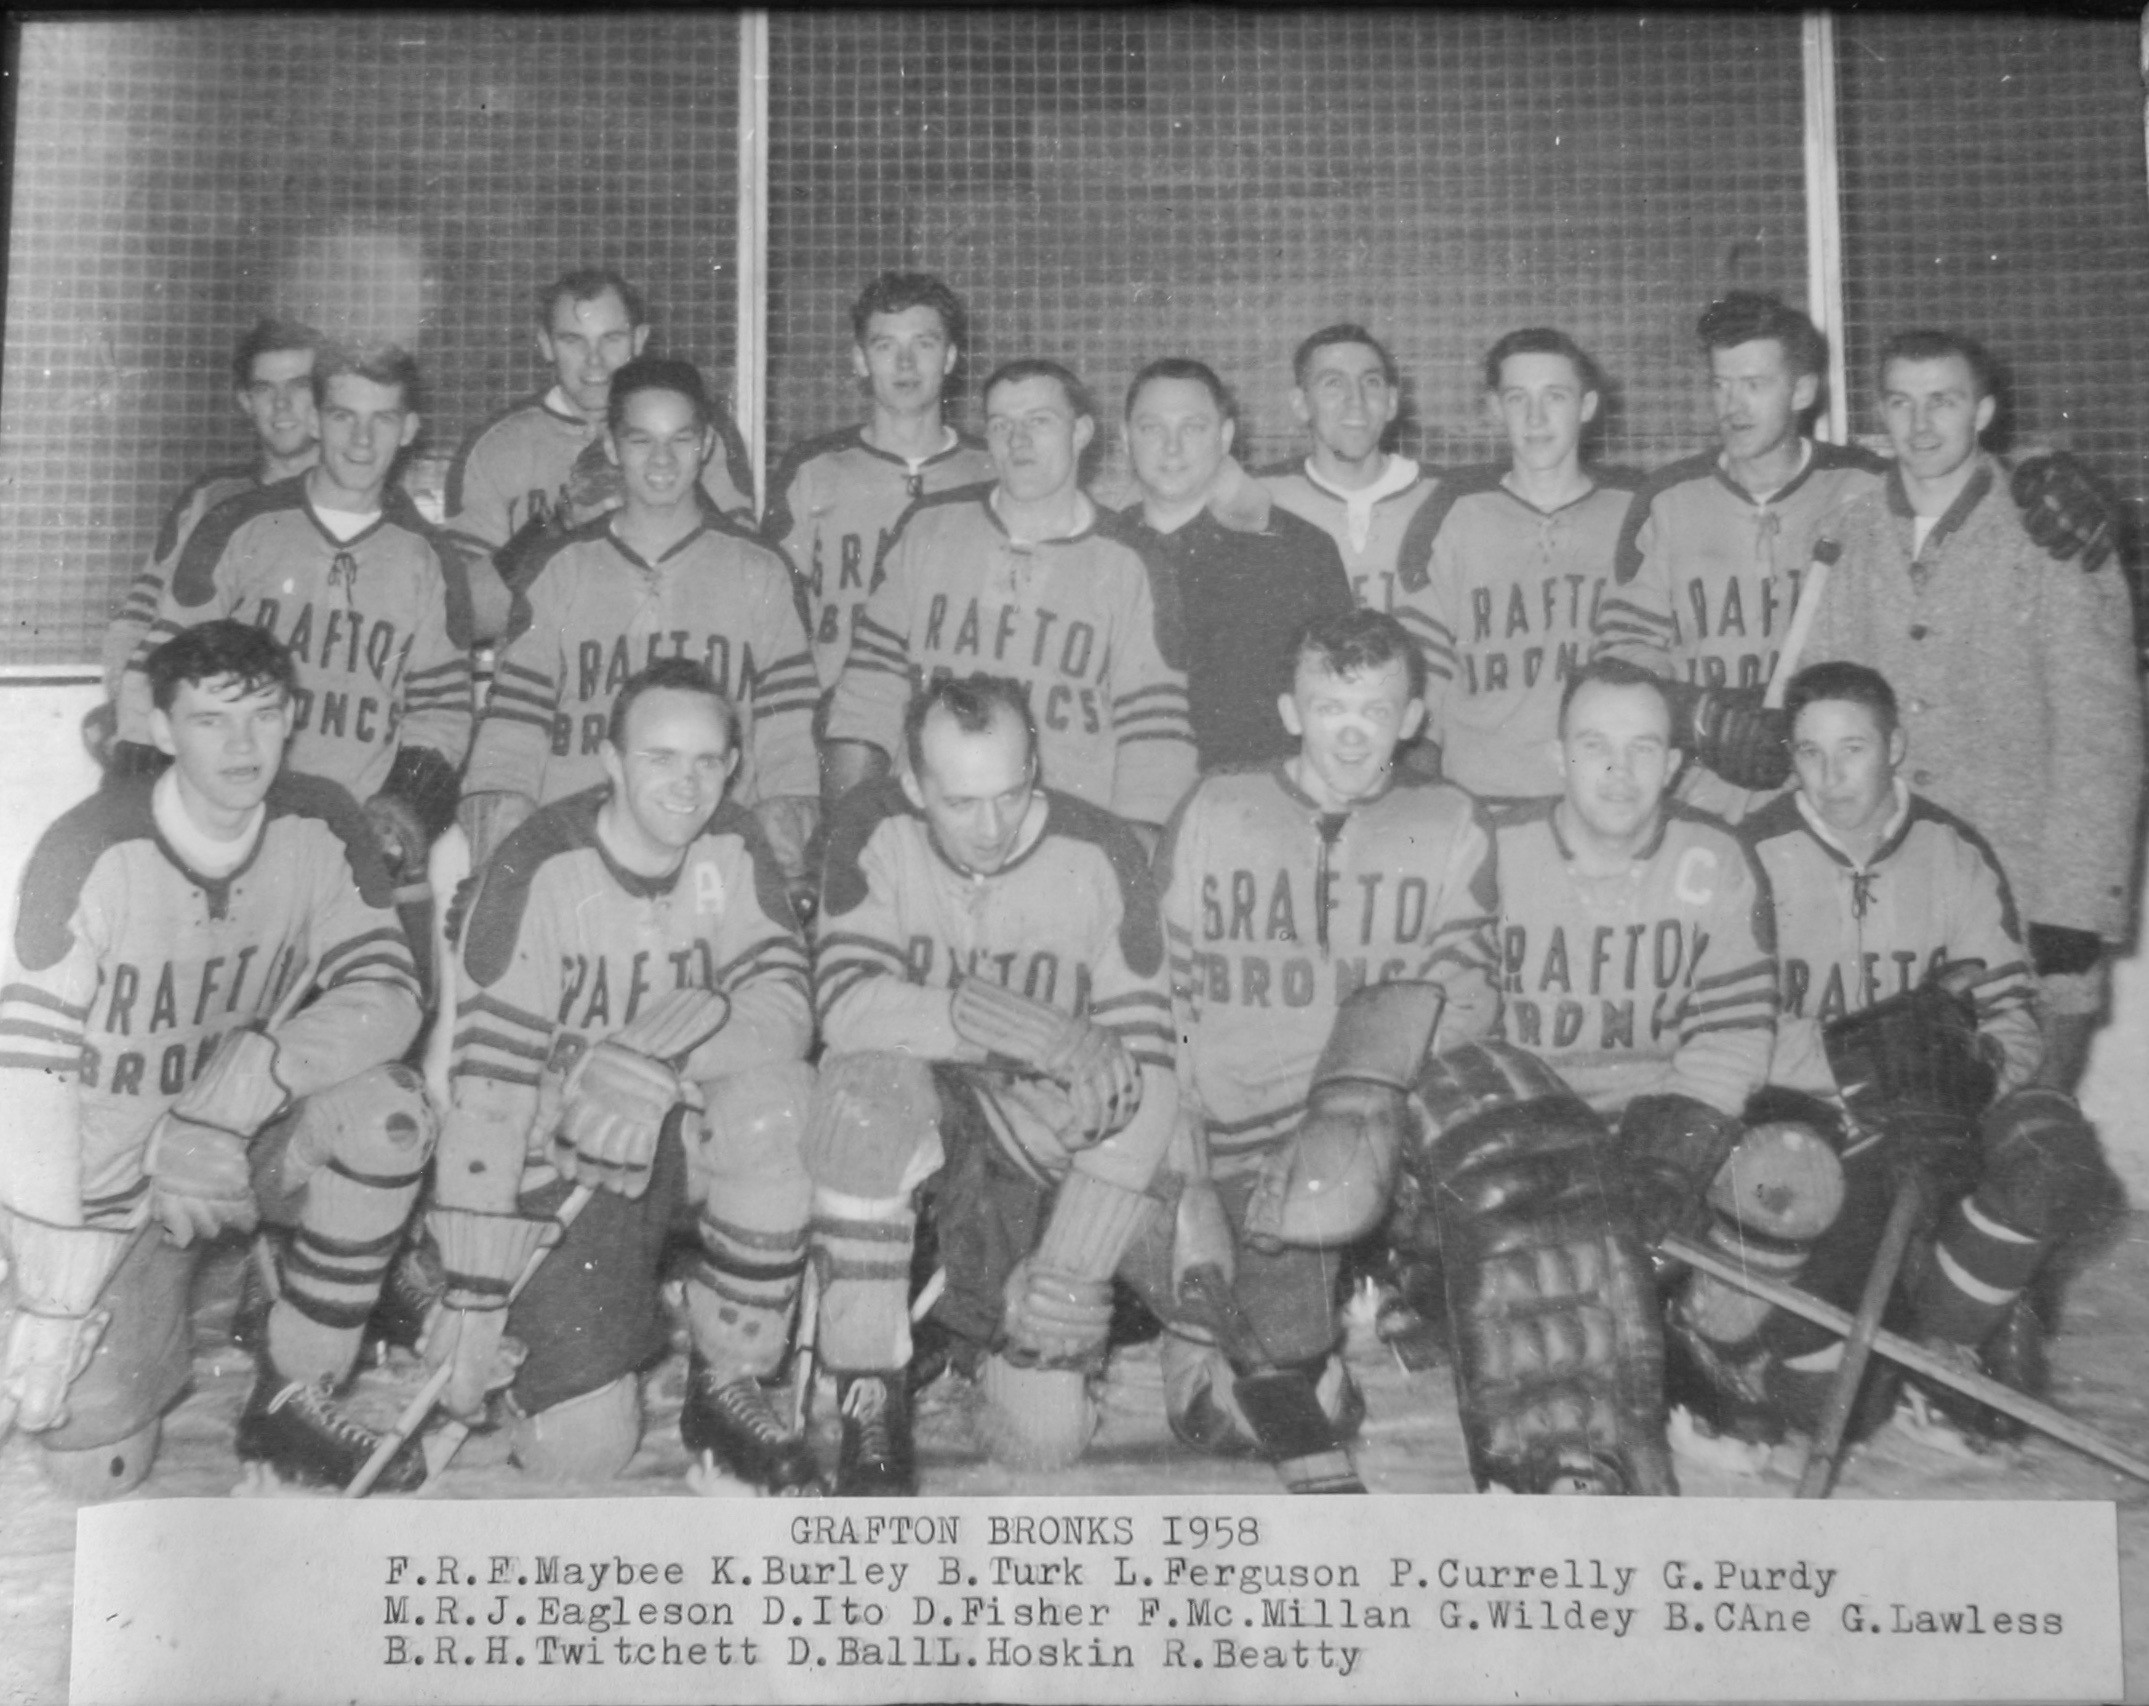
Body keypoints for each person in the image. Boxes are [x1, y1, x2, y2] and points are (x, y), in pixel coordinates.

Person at [0, 621, 432, 1494]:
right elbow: (25, 1079)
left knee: (389, 1115)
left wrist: (254, 1080)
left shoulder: (318, 819)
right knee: (97, 1466)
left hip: (239, 1136)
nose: (243, 745)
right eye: (210, 720)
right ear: (160, 730)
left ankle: (294, 1390)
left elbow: (390, 991)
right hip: (111, 1174)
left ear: (291, 717)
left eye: (265, 716)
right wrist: (53, 1287)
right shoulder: (88, 849)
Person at [1383, 657, 1777, 1494]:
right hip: (1523, 1115)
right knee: (1538, 1266)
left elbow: (1733, 1031)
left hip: (1650, 1113)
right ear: (1556, 755)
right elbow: (1448, 1018)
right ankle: (1534, 1427)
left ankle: (1662, 1362)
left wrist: (1670, 1155)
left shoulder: (1716, 855)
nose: (1618, 770)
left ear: (1674, 763)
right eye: (1594, 745)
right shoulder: (1491, 844)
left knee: (1751, 1196)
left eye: (1643, 749)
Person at [427, 659, 818, 1490]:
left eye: (708, 761)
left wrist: (662, 1052)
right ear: (608, 761)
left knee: (778, 1106)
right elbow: (488, 1094)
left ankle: (728, 1373)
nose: (687, 784)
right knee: (580, 1455)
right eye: (659, 758)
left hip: (681, 1132)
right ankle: (466, 1305)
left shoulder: (733, 841)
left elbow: (785, 1009)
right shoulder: (536, 867)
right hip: (564, 1150)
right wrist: (471, 1280)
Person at [1143, 609, 1497, 1492]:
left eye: (1374, 710)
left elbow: (1470, 991)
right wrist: (1179, 1096)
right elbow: (1164, 981)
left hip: (1369, 1121)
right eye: (1328, 706)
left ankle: (1344, 1324)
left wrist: (1365, 1093)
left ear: (1411, 717)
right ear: (1289, 710)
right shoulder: (1218, 803)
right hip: (1237, 1126)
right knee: (1234, 1413)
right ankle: (1249, 1345)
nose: (1350, 730)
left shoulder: (1446, 817)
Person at [805, 674, 1179, 1493]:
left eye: (1009, 795)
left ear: (1036, 765)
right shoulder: (872, 824)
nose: (989, 828)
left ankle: (986, 1334)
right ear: (911, 783)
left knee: (1040, 1443)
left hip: (1038, 1164)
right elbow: (847, 1008)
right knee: (860, 1096)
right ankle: (872, 1386)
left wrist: (1070, 1267)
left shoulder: (1101, 849)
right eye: (959, 803)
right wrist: (1027, 1032)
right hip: (925, 1124)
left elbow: (1147, 1068)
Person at [1592, 291, 2116, 820]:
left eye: (1754, 385)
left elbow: (1957, 479)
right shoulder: (1668, 498)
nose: (1733, 407)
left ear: (1802, 389)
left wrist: (2053, 476)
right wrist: (1693, 716)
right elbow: (1620, 657)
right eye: (1720, 385)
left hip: (1839, 800)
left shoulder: (1861, 488)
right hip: (1706, 795)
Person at [1793, 331, 2143, 1095]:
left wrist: (2077, 907)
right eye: (1900, 402)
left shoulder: (2051, 532)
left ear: (1983, 411)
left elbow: (2100, 737)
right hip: (1883, 890)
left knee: (2019, 1141)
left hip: (2020, 890)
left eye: (1942, 402)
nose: (1919, 426)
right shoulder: (1845, 532)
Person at [115, 343, 472, 933]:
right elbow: (159, 680)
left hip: (355, 847)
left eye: (381, 419)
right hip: (229, 840)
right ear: (313, 419)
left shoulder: (429, 561)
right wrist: (137, 814)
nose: (361, 441)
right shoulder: (236, 526)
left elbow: (442, 716)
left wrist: (398, 817)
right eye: (342, 416)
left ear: (410, 429)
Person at [458, 356, 820, 889]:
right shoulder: (560, 569)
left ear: (706, 447)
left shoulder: (758, 571)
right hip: (574, 850)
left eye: (680, 440)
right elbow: (513, 736)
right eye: (640, 440)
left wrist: (786, 864)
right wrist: (500, 868)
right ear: (609, 446)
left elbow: (789, 741)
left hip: (713, 848)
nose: (662, 461)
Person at [823, 359, 1195, 839]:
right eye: (1001, 425)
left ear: (1081, 432)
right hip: (924, 834)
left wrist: (1122, 869)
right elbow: (867, 697)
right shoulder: (929, 528)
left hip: (1065, 842)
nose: (1018, 440)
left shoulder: (1132, 561)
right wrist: (843, 837)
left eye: (1039, 421)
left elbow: (1155, 741)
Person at [443, 268, 755, 643]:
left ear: (639, 340)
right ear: (544, 344)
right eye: (573, 341)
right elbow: (463, 618)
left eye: (612, 339)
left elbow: (749, 583)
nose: (594, 362)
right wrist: (557, 524)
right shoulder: (498, 446)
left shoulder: (700, 433)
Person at [1392, 328, 1638, 803]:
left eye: (1555, 397)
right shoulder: (1455, 513)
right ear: (1494, 409)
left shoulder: (1634, 513)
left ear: (1587, 407)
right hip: (1485, 795)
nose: (1536, 417)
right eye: (1517, 398)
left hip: (1605, 795)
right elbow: (1423, 669)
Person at [1116, 358, 1353, 771]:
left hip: (1256, 801)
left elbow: (1338, 695)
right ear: (1125, 437)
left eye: (1192, 427)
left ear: (1225, 436)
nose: (1172, 447)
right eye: (1152, 428)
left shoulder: (1299, 550)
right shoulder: (1100, 546)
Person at [761, 272, 994, 690]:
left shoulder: (991, 469)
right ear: (860, 360)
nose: (905, 364)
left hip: (958, 721)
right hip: (836, 722)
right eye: (885, 346)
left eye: (923, 344)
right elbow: (773, 618)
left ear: (950, 357)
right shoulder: (812, 471)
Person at [99, 318, 321, 704]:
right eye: (265, 389)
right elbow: (137, 620)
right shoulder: (212, 498)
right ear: (245, 401)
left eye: (299, 386)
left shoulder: (357, 506)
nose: (281, 404)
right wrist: (130, 718)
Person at [1258, 324, 1439, 615]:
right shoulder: (1261, 498)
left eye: (1370, 382)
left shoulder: (1443, 497)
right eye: (1333, 383)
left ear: (1392, 402)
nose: (1356, 400)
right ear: (1301, 404)